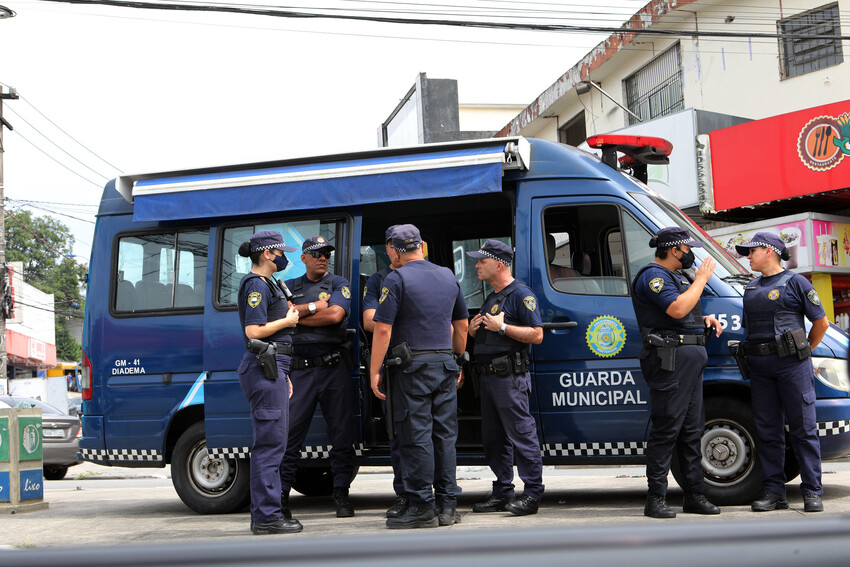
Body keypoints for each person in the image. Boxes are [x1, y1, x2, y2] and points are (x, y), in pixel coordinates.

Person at [369, 224, 469, 529]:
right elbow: (462, 325)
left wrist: (374, 370)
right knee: (445, 435)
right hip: (445, 363)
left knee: (416, 436)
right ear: (422, 246)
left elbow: (383, 329)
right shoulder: (448, 275)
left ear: (395, 252)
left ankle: (421, 505)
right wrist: (457, 359)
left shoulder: (396, 278)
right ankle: (447, 506)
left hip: (412, 368)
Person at [631, 227, 723, 519]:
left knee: (692, 430)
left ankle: (694, 494)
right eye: (687, 249)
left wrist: (703, 318)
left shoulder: (679, 277)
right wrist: (702, 279)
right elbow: (675, 309)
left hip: (690, 360)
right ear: (674, 250)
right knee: (667, 428)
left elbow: (687, 310)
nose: (690, 254)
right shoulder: (653, 276)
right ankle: (655, 497)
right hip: (670, 360)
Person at [735, 231, 829, 513]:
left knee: (803, 430)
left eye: (752, 251)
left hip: (792, 366)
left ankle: (812, 492)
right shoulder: (750, 288)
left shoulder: (797, 282)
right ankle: (774, 492)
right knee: (768, 432)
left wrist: (804, 352)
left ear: (769, 251)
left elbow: (821, 323)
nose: (747, 256)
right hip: (761, 369)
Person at [466, 240, 545, 516]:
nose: (476, 265)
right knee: (494, 439)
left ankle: (532, 493)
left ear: (499, 264)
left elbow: (537, 334)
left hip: (509, 377)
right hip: (489, 379)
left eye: (481, 261)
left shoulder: (520, 294)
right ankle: (503, 491)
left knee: (521, 435)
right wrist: (475, 330)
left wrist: (503, 327)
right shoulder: (493, 296)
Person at [280, 236, 357, 518]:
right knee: (290, 437)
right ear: (304, 258)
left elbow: (336, 315)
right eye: (317, 253)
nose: (323, 257)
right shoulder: (289, 287)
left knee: (342, 435)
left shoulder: (339, 284)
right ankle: (281, 497)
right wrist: (315, 307)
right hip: (300, 370)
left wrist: (297, 316)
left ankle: (341, 495)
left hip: (332, 368)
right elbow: (279, 318)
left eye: (326, 253)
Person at [235, 230, 303, 535]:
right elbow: (253, 331)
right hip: (264, 367)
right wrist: (287, 321)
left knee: (276, 443)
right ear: (267, 253)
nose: (283, 257)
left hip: (274, 367)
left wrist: (283, 374)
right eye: (280, 252)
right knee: (270, 446)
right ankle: (266, 517)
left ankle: (270, 512)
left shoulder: (267, 284)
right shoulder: (256, 286)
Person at [362, 225, 408, 519]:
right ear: (390, 248)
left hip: (421, 363)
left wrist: (390, 319)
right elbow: (369, 321)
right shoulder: (379, 280)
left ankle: (438, 495)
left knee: (430, 432)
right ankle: (404, 494)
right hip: (393, 364)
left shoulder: (427, 273)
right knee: (398, 433)